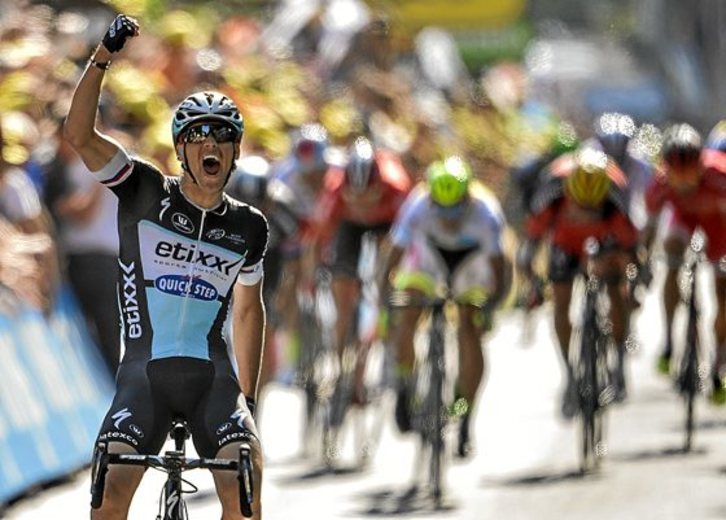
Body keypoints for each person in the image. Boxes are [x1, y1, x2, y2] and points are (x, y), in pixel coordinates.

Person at [62, 14, 267, 519]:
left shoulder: (249, 226)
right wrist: (102, 57)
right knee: (108, 495)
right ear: (181, 149)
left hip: (213, 382)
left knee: (246, 488)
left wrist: (249, 399)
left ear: (235, 151)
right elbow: (80, 136)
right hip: (143, 379)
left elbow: (248, 312)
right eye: (198, 136)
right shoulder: (145, 191)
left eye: (222, 136)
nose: (210, 145)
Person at [378, 156, 508, 458]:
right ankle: (405, 384)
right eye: (442, 209)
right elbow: (395, 252)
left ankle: (465, 411)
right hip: (428, 264)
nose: (449, 217)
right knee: (407, 309)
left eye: (456, 209)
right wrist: (385, 294)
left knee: (468, 327)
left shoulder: (486, 212)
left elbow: (500, 265)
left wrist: (492, 303)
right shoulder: (418, 205)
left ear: (467, 197)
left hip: (470, 269)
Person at [517, 146, 637, 418]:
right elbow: (529, 246)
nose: (585, 212)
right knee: (560, 303)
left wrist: (634, 278)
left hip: (604, 243)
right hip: (564, 245)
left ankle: (618, 361)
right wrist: (532, 282)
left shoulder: (615, 197)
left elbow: (631, 248)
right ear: (568, 194)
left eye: (593, 208)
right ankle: (570, 373)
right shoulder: (552, 193)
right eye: (579, 207)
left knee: (616, 290)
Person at [308, 136, 411, 405]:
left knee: (382, 285)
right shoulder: (335, 187)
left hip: (386, 226)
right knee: (343, 293)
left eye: (369, 196)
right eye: (355, 197)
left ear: (379, 186)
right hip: (349, 226)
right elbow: (318, 237)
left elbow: (406, 240)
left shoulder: (396, 185)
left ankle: (368, 364)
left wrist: (389, 280)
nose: (363, 203)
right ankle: (339, 368)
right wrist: (314, 274)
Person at [644, 123, 726, 403]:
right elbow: (650, 227)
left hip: (719, 225)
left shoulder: (720, 174)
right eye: (677, 176)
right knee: (670, 256)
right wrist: (642, 260)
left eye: (689, 174)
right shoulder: (659, 183)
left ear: (700, 164)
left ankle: (719, 362)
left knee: (723, 291)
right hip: (683, 222)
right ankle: (669, 340)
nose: (684, 183)